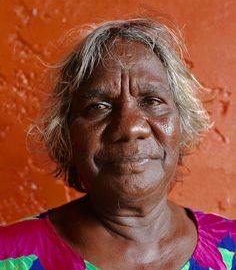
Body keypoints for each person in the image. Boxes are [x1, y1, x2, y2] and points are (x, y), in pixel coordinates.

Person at [0, 18, 235, 270]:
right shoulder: (9, 258)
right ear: (66, 135)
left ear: (182, 124)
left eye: (152, 101)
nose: (129, 127)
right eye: (99, 107)